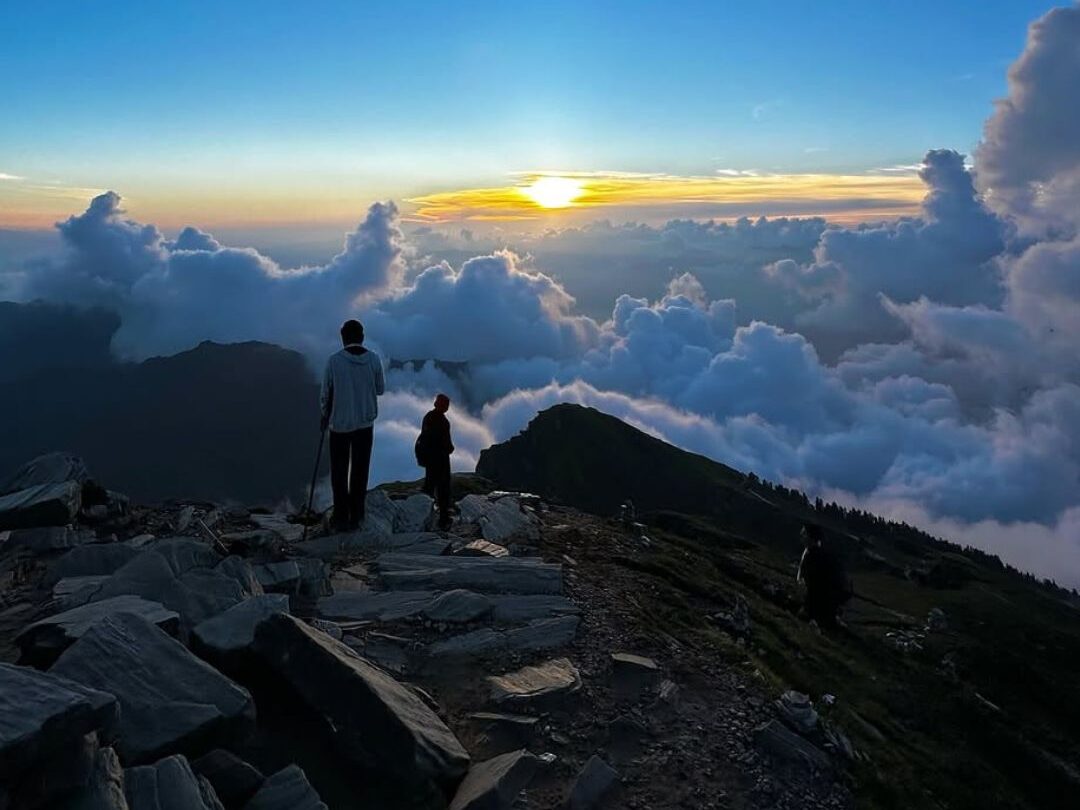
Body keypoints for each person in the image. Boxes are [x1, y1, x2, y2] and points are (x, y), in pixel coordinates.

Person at [320, 319, 385, 531]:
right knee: (360, 468)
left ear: (343, 337)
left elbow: (325, 394)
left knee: (339, 470)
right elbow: (380, 389)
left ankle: (340, 515)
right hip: (365, 423)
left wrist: (325, 415)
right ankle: (357, 513)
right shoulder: (374, 360)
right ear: (362, 337)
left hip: (339, 423)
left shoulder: (334, 361)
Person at [796, 522, 850, 629]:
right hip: (828, 603)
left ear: (811, 537)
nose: (801, 536)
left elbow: (816, 587)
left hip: (821, 604)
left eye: (804, 533)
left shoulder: (814, 557)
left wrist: (809, 610)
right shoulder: (816, 553)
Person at [417, 393, 455, 530]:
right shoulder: (443, 422)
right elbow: (447, 445)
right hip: (441, 459)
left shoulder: (428, 417)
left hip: (429, 458)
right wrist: (450, 449)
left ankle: (423, 517)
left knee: (429, 485)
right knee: (443, 489)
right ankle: (443, 519)